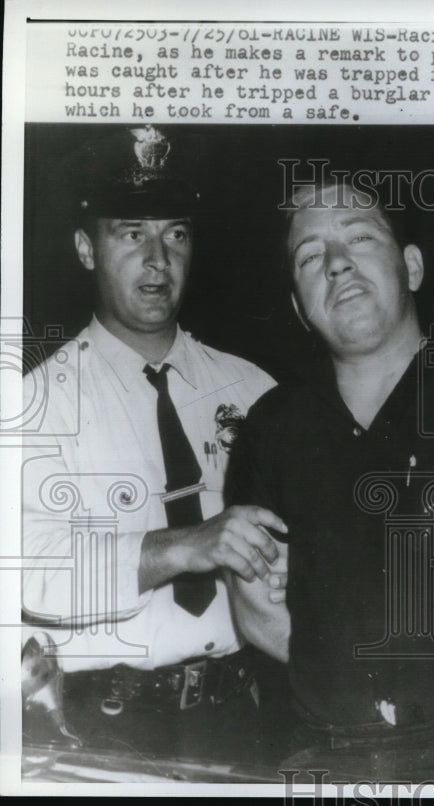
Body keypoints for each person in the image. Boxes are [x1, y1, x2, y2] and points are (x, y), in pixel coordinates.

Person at [225, 178, 434, 781]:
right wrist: (340, 679)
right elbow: (252, 600)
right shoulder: (271, 424)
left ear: (411, 266)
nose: (335, 264)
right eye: (309, 255)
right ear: (300, 306)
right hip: (322, 754)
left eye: (359, 236)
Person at [20, 126, 283, 766]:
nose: (158, 258)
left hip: (245, 717)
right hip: (97, 733)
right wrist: (185, 546)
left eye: (176, 233)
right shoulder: (32, 403)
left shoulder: (254, 391)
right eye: (132, 232)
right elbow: (30, 574)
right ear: (86, 248)